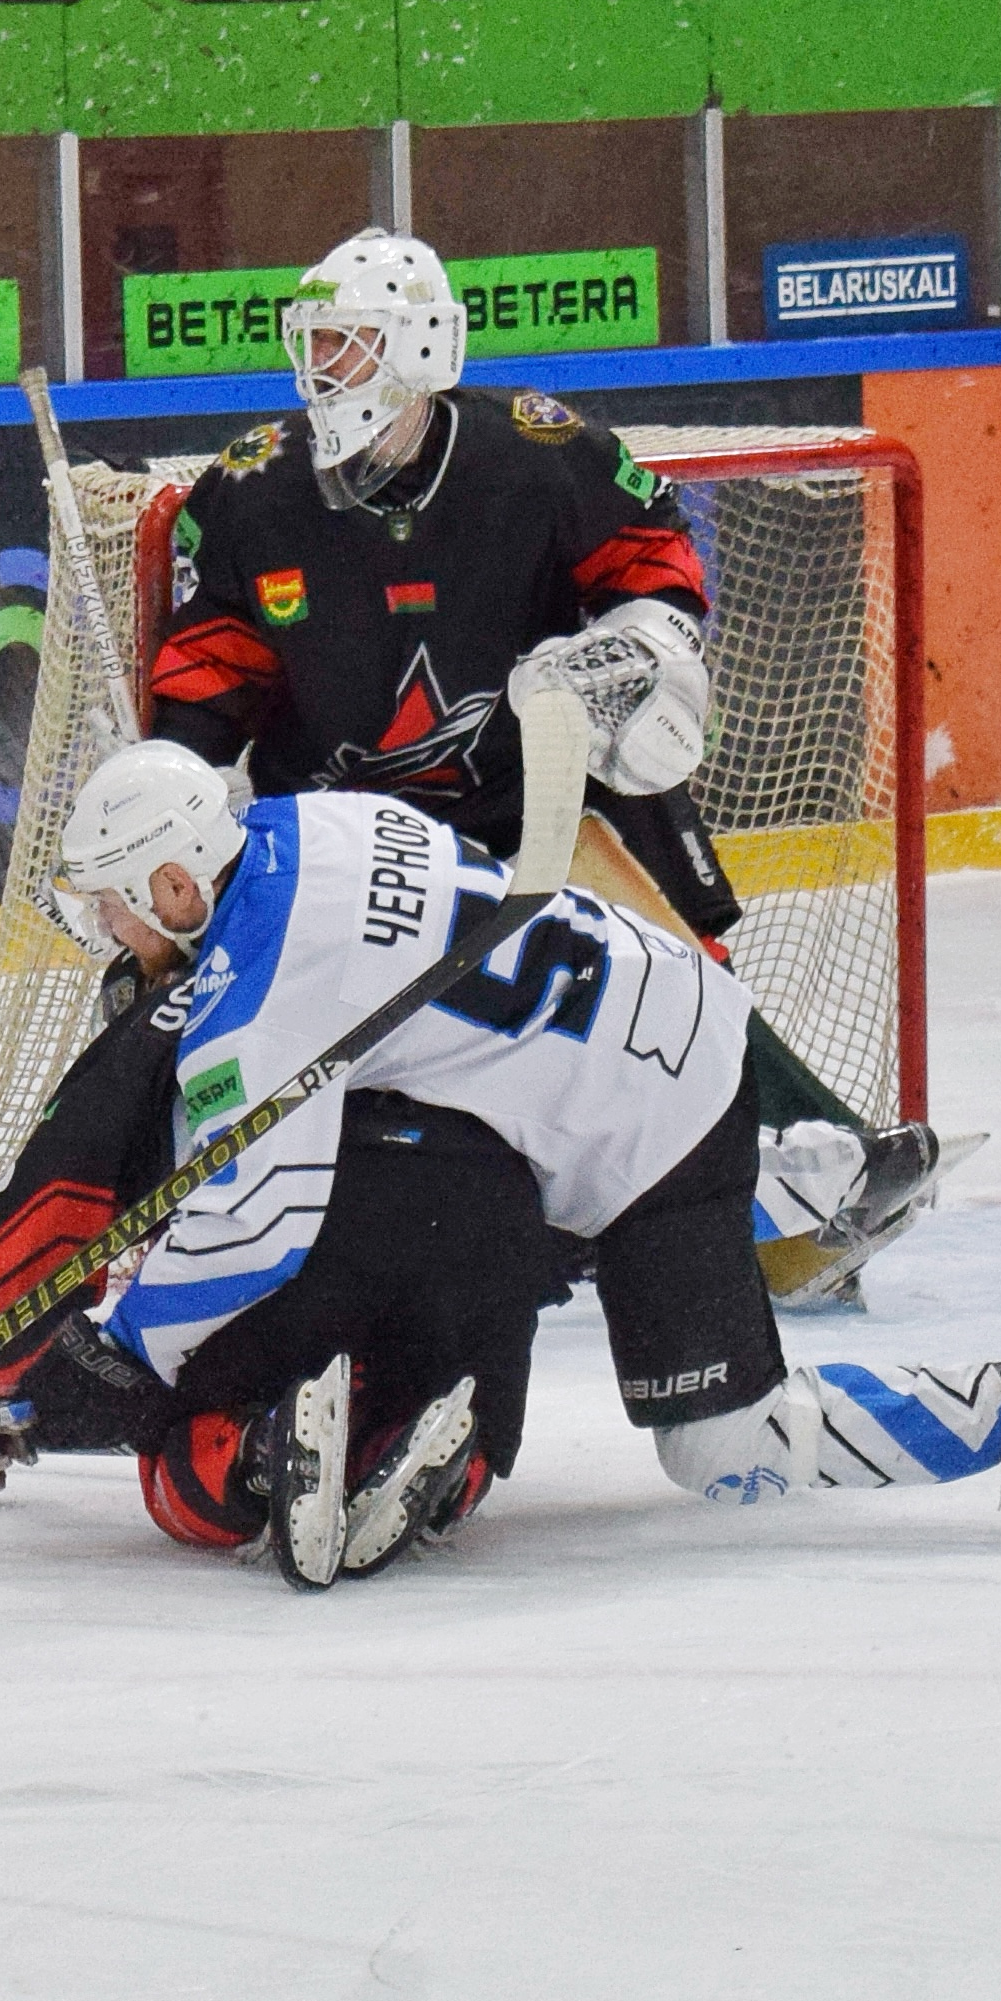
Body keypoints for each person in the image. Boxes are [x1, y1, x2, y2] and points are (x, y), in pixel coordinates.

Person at [0, 738, 1001, 1580]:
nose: (107, 930)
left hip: (647, 1127)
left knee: (726, 1447)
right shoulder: (300, 823)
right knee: (478, 1160)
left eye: (113, 902)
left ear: (174, 881)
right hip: (651, 1010)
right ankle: (803, 1175)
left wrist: (114, 1358)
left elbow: (255, 1226)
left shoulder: (260, 991)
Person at [147, 228, 939, 1302]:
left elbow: (651, 560)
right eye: (314, 342)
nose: (320, 368)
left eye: (347, 342)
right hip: (350, 835)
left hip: (540, 791)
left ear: (420, 347)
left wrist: (640, 646)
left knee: (669, 968)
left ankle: (795, 1155)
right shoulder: (254, 491)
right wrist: (172, 792)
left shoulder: (536, 452)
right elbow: (207, 671)